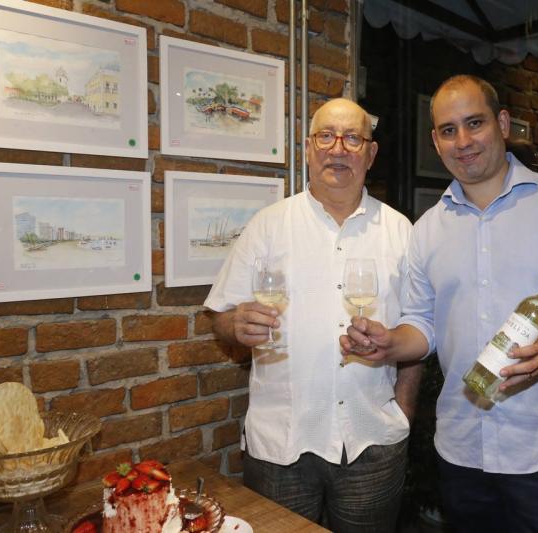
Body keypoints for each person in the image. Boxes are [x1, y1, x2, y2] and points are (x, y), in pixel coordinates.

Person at [341, 75, 538, 532]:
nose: (463, 141)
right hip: (461, 448)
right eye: (449, 130)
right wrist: (390, 344)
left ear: (502, 123)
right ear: (436, 141)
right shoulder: (427, 230)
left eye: (475, 123)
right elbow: (422, 324)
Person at [204, 98, 421, 532]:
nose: (338, 149)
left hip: (373, 442)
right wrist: (235, 323)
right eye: (326, 136)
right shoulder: (268, 226)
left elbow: (418, 329)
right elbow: (221, 318)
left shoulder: (402, 232)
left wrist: (404, 411)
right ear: (307, 148)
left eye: (353, 138)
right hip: (281, 445)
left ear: (370, 154)